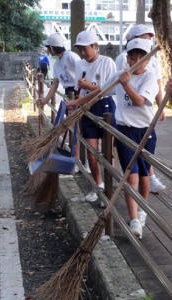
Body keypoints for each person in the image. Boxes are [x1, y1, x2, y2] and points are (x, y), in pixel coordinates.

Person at [68, 38, 159, 239]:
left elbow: (140, 101)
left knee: (144, 175)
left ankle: (141, 211)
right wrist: (77, 102)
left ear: (147, 60)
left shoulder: (150, 77)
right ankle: (134, 219)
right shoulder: (120, 75)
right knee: (130, 175)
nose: (135, 60)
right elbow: (100, 92)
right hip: (124, 130)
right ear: (126, 58)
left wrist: (126, 85)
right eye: (131, 56)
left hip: (145, 131)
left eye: (140, 57)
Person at [115, 24, 166, 194]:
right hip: (125, 124)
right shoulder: (123, 59)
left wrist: (160, 106)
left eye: (148, 38)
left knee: (143, 168)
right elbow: (109, 87)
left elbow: (157, 84)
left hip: (144, 124)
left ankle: (149, 181)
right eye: (142, 37)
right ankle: (135, 215)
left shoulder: (151, 64)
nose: (146, 40)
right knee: (133, 173)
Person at [72, 30, 116, 205]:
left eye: (85, 49)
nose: (82, 53)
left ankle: (108, 190)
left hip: (105, 108)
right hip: (86, 108)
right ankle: (97, 185)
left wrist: (89, 86)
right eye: (79, 49)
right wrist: (77, 101)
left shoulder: (107, 62)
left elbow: (111, 89)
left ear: (95, 46)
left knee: (107, 153)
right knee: (92, 153)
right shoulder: (79, 64)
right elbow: (79, 89)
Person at [36, 33, 82, 172]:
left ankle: (79, 162)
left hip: (79, 93)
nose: (47, 50)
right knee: (73, 129)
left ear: (53, 47)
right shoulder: (56, 65)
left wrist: (78, 96)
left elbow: (82, 74)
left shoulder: (71, 57)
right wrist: (44, 100)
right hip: (69, 96)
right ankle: (75, 160)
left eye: (48, 47)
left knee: (79, 129)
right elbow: (54, 86)